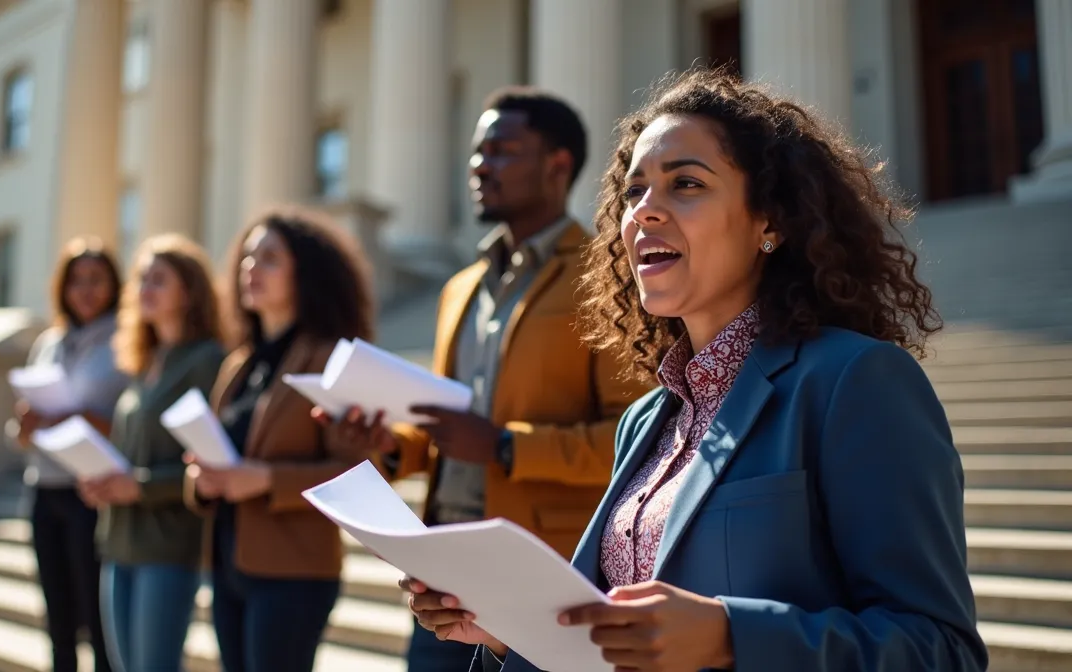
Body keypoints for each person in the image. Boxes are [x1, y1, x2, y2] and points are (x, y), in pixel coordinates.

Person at [405, 68, 989, 672]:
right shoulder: (644, 420)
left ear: (770, 221)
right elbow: (610, 648)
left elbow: (940, 651)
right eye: (634, 193)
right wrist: (509, 628)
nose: (644, 214)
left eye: (685, 183)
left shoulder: (857, 381)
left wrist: (731, 636)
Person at [327, 86, 651, 672]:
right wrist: (386, 448)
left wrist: (504, 445)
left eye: (501, 150)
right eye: (478, 151)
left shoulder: (607, 278)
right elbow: (442, 436)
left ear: (557, 165)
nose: (479, 165)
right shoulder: (460, 290)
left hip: (539, 578)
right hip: (440, 581)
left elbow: (633, 443)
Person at [181, 207, 376, 672]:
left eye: (269, 258)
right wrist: (201, 481)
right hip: (228, 566)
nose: (251, 268)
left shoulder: (332, 358)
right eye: (248, 257)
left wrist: (266, 480)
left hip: (294, 573)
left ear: (304, 273)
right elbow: (216, 459)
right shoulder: (238, 364)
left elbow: (358, 476)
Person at [78, 234, 226, 672]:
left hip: (168, 546)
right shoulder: (143, 363)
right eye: (142, 278)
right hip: (118, 542)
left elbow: (213, 463)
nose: (145, 287)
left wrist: (136, 487)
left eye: (159, 279)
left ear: (190, 292)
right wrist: (102, 481)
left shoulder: (208, 361)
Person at [8, 238, 128, 672]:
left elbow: (135, 423)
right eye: (76, 280)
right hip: (44, 490)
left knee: (98, 624)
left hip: (92, 492)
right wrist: (23, 427)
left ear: (114, 285)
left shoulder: (126, 341)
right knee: (57, 620)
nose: (86, 289)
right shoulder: (49, 342)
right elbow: (24, 430)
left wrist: (87, 419)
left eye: (96, 280)